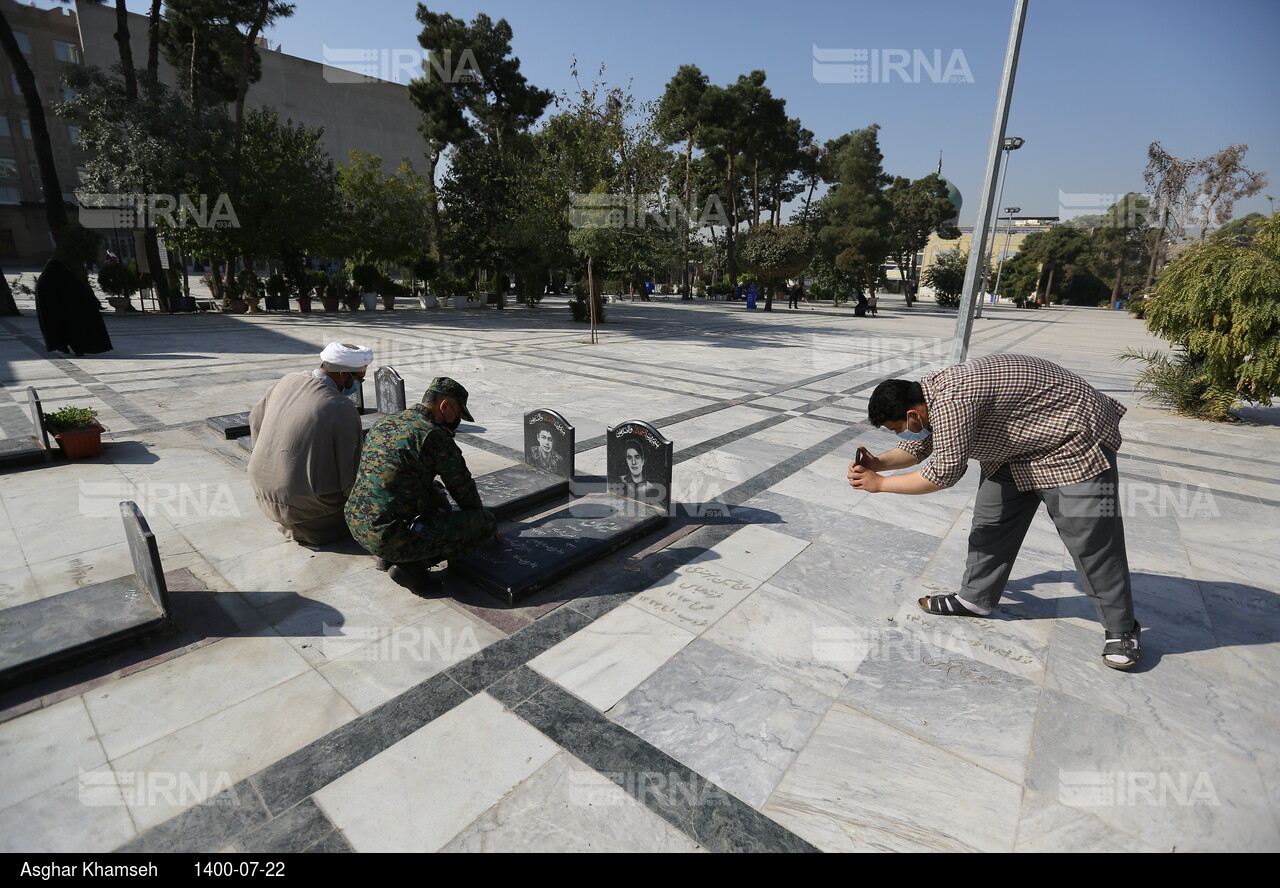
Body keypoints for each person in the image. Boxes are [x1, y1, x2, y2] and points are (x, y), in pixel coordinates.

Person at [847, 353, 1141, 670]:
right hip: (1016, 447)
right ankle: (975, 599)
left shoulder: (953, 398)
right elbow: (920, 444)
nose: (899, 434)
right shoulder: (927, 399)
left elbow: (943, 473)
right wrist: (879, 464)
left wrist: (879, 484)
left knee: (1093, 540)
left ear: (911, 414)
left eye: (897, 428)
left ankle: (1122, 628)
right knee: (991, 523)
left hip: (1073, 440)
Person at [345, 377, 502, 595]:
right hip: (390, 536)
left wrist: (433, 490)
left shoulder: (387, 422)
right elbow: (462, 488)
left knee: (431, 492)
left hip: (356, 523)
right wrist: (484, 522)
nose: (457, 421)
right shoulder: (434, 435)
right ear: (445, 406)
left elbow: (392, 476)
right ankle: (412, 566)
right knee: (484, 523)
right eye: (457, 414)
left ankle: (387, 555)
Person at [248, 341, 370, 546]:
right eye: (359, 378)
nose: (359, 383)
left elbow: (255, 421)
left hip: (263, 496)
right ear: (343, 374)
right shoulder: (341, 406)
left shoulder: (287, 380)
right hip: (313, 513)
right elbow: (350, 477)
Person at [35, 258, 113, 356]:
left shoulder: (44, 279)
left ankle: (62, 345)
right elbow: (82, 295)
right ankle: (77, 348)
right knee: (75, 330)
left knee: (59, 330)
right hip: (72, 313)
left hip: (53, 315)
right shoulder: (68, 278)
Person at [614, 437, 663, 503]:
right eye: (629, 457)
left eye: (637, 457)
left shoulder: (650, 488)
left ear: (643, 461)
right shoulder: (620, 480)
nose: (633, 462)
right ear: (626, 460)